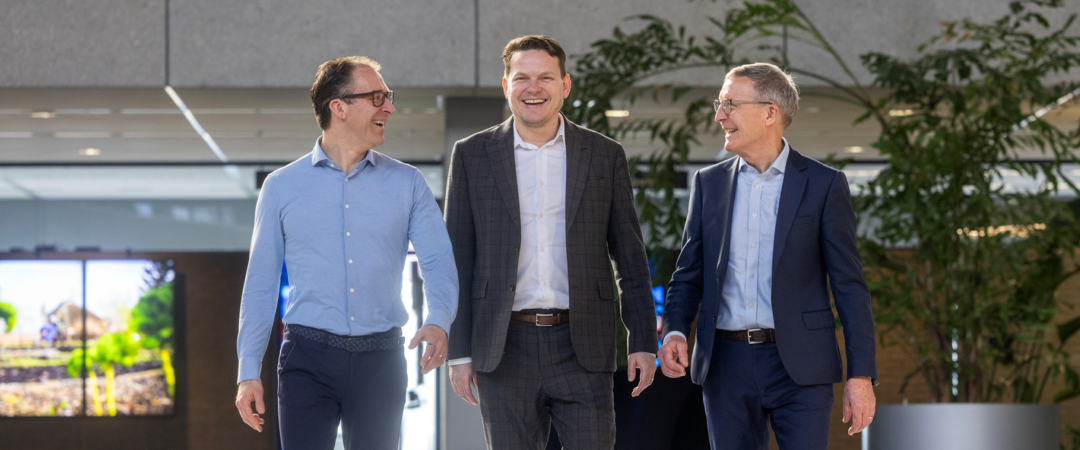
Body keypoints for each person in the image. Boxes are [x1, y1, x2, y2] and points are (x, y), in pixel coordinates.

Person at [443, 35, 658, 450]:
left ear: (565, 85)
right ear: (506, 86)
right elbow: (458, 259)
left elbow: (630, 257)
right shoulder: (472, 154)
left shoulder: (604, 155)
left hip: (583, 345)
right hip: (503, 346)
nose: (533, 88)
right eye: (522, 78)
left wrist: (643, 341)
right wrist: (459, 352)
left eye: (545, 77)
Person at [234, 56, 458, 450]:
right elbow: (261, 284)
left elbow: (438, 260)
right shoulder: (281, 187)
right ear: (339, 107)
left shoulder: (408, 183)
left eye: (388, 97)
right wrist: (248, 370)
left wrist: (439, 319)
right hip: (306, 359)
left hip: (381, 361)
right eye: (377, 98)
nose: (389, 108)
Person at [659, 63, 879, 449]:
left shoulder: (824, 185)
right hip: (725, 364)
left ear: (770, 113)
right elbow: (688, 273)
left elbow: (849, 287)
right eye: (719, 103)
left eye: (730, 104)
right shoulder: (708, 184)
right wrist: (675, 329)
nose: (719, 115)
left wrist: (860, 375)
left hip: (802, 367)